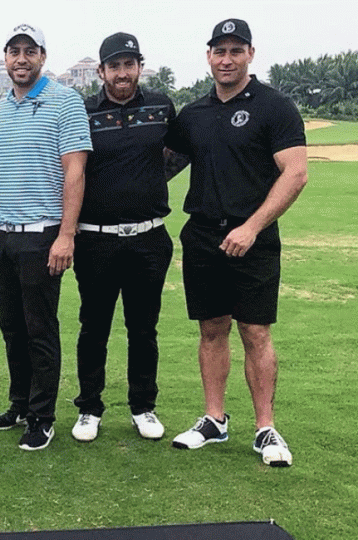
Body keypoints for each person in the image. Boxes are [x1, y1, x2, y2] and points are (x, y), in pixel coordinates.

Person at [165, 19, 307, 467]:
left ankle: (265, 427)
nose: (226, 59)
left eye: (235, 50)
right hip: (204, 234)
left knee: (255, 331)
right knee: (211, 329)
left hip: (254, 236)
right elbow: (162, 166)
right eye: (219, 51)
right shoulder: (193, 114)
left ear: (250, 54)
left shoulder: (274, 107)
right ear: (208, 56)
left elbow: (296, 173)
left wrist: (253, 227)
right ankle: (214, 420)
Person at [0, 24, 92, 451]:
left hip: (43, 233)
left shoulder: (65, 102)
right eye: (14, 51)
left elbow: (75, 170)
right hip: (1, 234)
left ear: (42, 57)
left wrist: (66, 235)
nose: (21, 59)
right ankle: (20, 403)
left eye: (30, 51)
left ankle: (42, 417)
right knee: (12, 327)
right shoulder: (0, 109)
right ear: (5, 58)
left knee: (39, 328)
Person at [70, 32, 181, 443]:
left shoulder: (160, 106)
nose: (122, 73)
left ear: (139, 67)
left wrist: (150, 182)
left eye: (129, 64)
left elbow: (181, 150)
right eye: (114, 66)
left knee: (143, 327)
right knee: (93, 326)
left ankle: (143, 406)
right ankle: (90, 408)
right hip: (95, 239)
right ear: (101, 71)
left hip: (149, 237)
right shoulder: (83, 112)